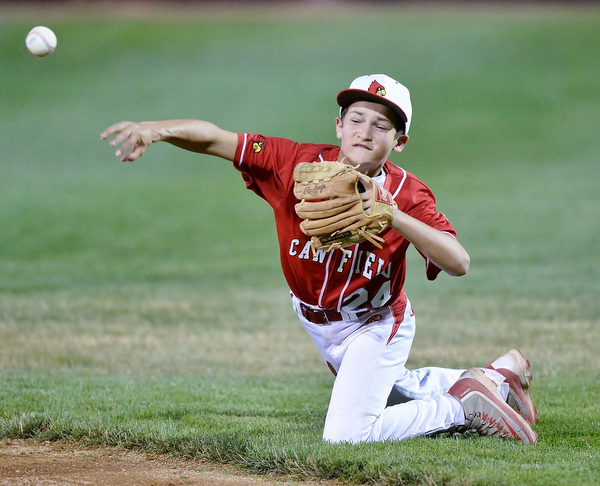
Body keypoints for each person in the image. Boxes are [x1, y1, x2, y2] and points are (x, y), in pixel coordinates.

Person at [101, 74, 538, 443]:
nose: (365, 132)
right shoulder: (296, 163)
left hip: (376, 323)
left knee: (347, 434)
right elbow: (218, 139)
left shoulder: (408, 193)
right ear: (339, 125)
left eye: (381, 126)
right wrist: (154, 129)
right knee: (395, 392)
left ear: (400, 141)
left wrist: (392, 215)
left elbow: (458, 261)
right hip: (316, 321)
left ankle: (461, 408)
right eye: (356, 120)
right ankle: (497, 375)